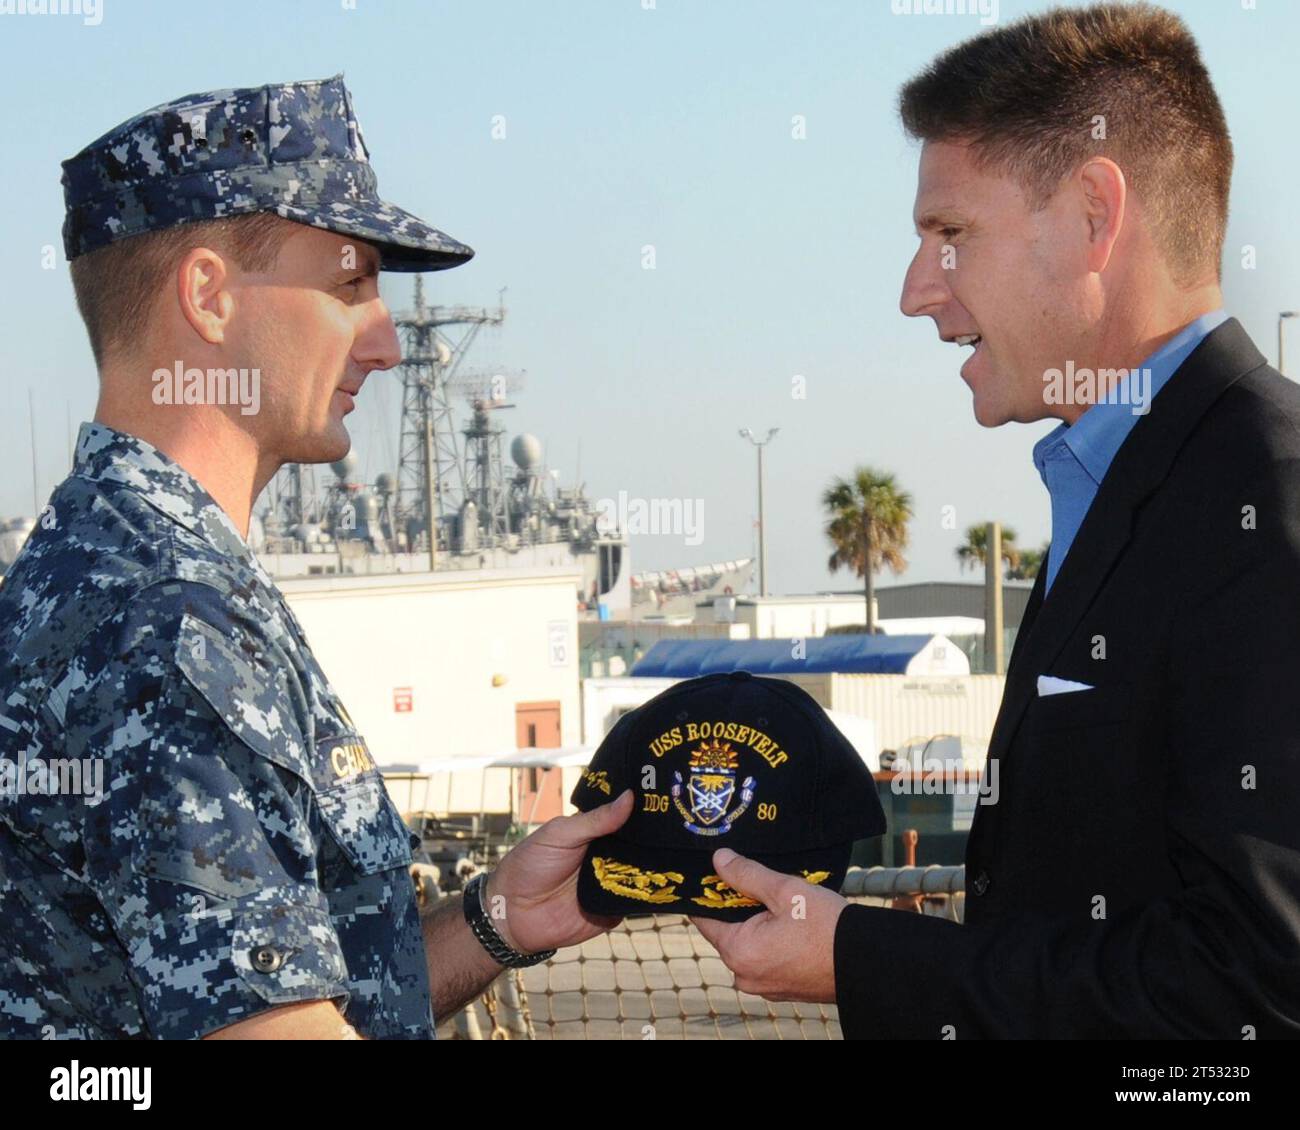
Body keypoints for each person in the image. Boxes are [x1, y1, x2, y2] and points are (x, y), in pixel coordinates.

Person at [695, 3, 1300, 1038]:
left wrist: (861, 955)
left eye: (950, 234)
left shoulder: (1264, 500)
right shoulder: (1128, 480)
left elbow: (1255, 988)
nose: (914, 291)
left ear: (1090, 215)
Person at [0, 74, 633, 1041]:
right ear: (209, 296)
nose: (383, 340)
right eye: (350, 285)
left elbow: (270, 991)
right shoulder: (168, 618)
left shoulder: (105, 565)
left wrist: (497, 921)